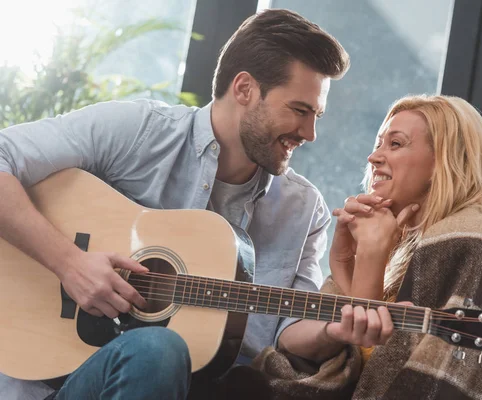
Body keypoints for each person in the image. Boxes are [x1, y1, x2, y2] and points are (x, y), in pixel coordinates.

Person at [0, 8, 349, 400]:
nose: (311, 133)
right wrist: (70, 263)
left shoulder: (305, 211)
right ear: (245, 89)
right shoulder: (138, 132)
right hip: (50, 385)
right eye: (300, 111)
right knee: (156, 349)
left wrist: (335, 329)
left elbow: (287, 330)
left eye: (316, 115)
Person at [255, 94, 482, 400]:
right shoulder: (391, 242)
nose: (374, 156)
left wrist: (368, 261)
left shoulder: (477, 241)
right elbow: (296, 343)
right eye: (378, 143)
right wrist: (350, 263)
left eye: (396, 144)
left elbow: (406, 381)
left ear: (443, 162)